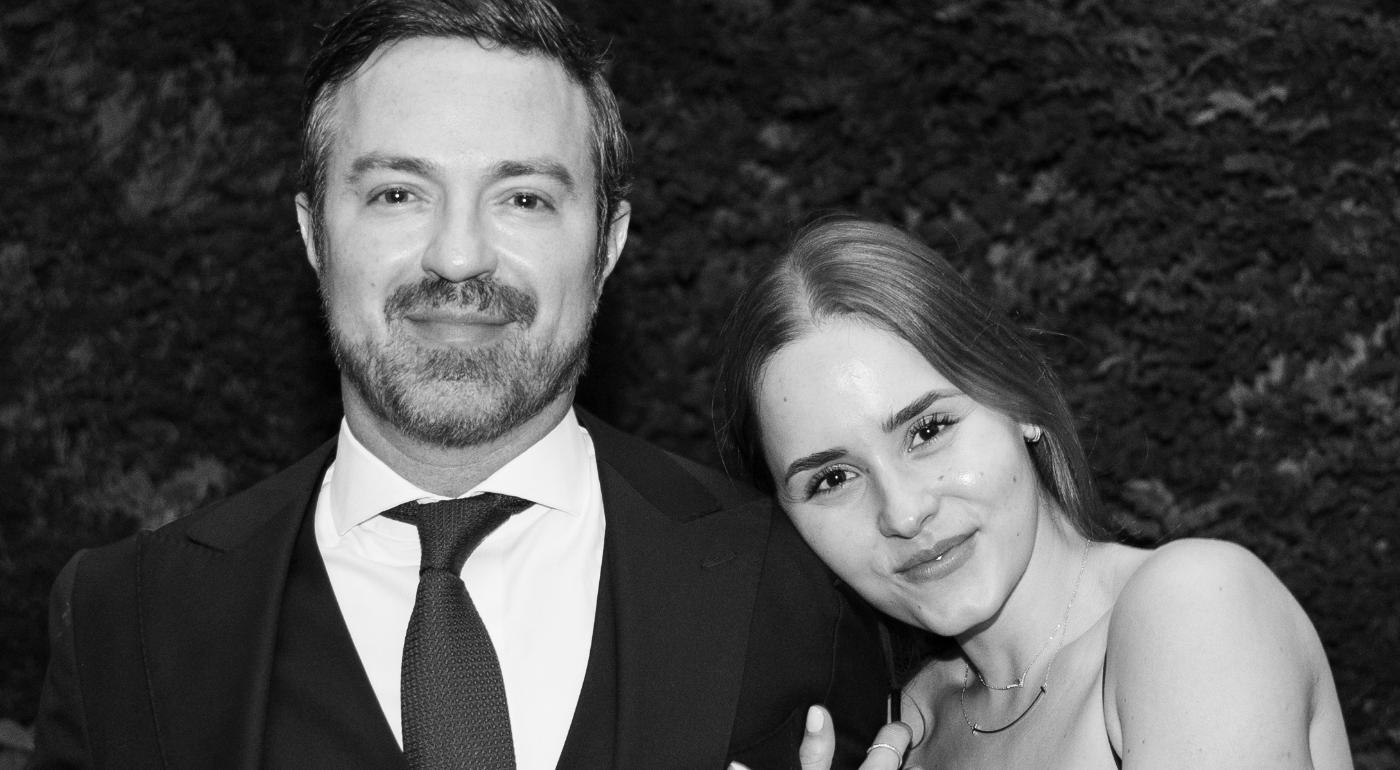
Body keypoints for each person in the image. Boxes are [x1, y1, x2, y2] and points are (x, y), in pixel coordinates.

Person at [26, 2, 890, 768]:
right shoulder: (122, 624)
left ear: (608, 244)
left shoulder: (804, 580)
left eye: (524, 199)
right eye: (398, 193)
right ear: (314, 235)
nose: (458, 256)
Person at [716, 218, 1354, 769]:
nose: (904, 512)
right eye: (832, 480)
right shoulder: (903, 732)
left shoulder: (1192, 607)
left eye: (928, 430)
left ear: (1015, 399)